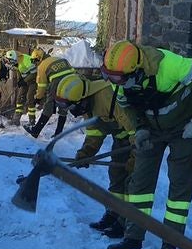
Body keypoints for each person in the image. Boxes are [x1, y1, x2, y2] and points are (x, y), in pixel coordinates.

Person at [100, 39, 192, 249]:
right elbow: (126, 105)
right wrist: (140, 129)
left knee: (180, 186)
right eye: (111, 78)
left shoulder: (170, 65)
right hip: (151, 128)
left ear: (137, 70)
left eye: (119, 79)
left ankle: (171, 242)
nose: (116, 83)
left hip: (183, 128)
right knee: (140, 183)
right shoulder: (117, 76)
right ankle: (133, 237)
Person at [52, 72, 134, 238]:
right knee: (116, 175)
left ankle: (125, 222)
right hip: (122, 138)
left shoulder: (109, 96)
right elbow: (95, 131)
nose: (71, 112)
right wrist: (86, 153)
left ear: (81, 100)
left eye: (71, 107)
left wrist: (136, 157)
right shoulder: (87, 102)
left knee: (131, 181)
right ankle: (113, 213)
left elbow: (135, 129)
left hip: (137, 139)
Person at [25, 53, 75, 138]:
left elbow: (41, 87)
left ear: (38, 59)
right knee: (64, 105)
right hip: (72, 80)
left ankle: (35, 131)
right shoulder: (58, 58)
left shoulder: (41, 66)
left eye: (34, 61)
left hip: (57, 81)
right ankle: (59, 133)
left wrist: (38, 98)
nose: (34, 64)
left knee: (49, 106)